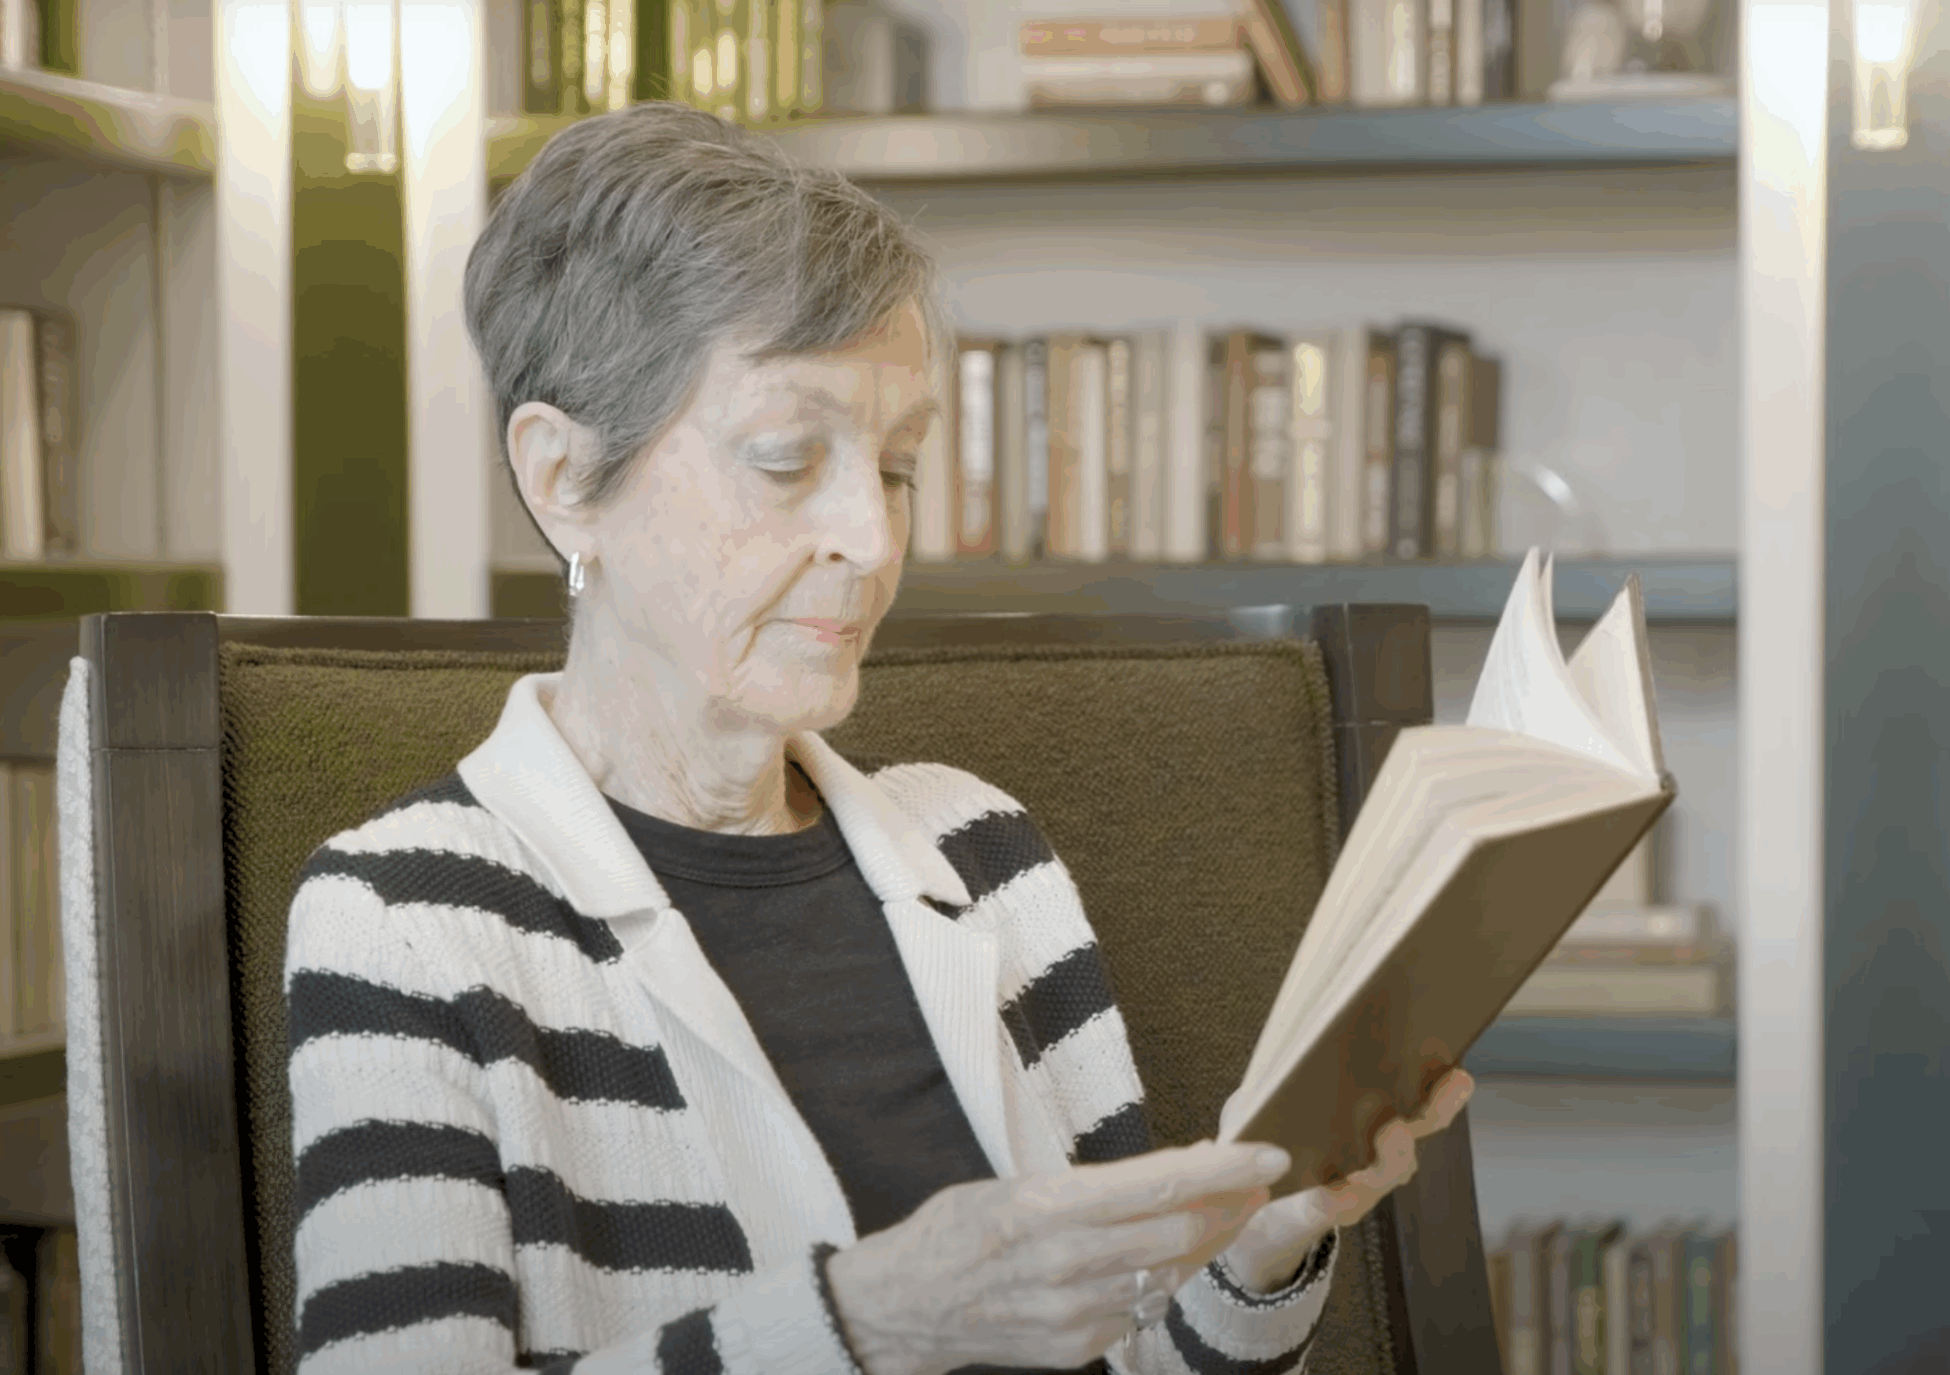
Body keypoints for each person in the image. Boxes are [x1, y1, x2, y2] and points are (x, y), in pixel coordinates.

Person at [280, 101, 1473, 1375]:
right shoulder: (406, 917)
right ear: (565, 477)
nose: (874, 536)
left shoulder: (982, 850)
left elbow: (1140, 1354)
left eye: (896, 467)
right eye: (788, 458)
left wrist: (1266, 1239)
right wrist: (870, 1317)